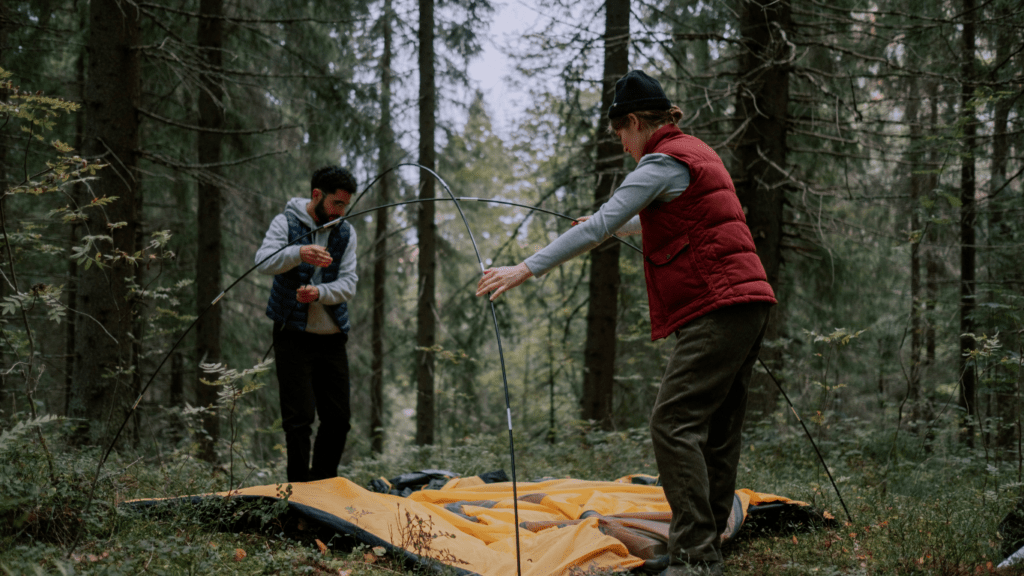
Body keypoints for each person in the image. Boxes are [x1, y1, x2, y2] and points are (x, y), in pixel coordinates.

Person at [475, 70, 776, 576]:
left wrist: (523, 268)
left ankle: (695, 556)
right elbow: (668, 211)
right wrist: (616, 228)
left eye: (620, 133)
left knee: (673, 422)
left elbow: (599, 222)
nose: (622, 144)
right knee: (717, 427)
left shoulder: (661, 160)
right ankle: (703, 545)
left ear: (634, 121)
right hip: (748, 301)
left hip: (718, 304)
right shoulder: (695, 152)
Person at [256, 166, 359, 483]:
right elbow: (263, 261)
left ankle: (323, 486)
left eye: (345, 205)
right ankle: (298, 493)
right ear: (317, 195)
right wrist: (299, 252)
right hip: (292, 334)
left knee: (338, 419)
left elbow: (349, 284)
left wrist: (320, 292)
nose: (340, 212)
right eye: (336, 204)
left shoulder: (345, 232)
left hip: (331, 338)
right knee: (298, 419)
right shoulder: (285, 222)